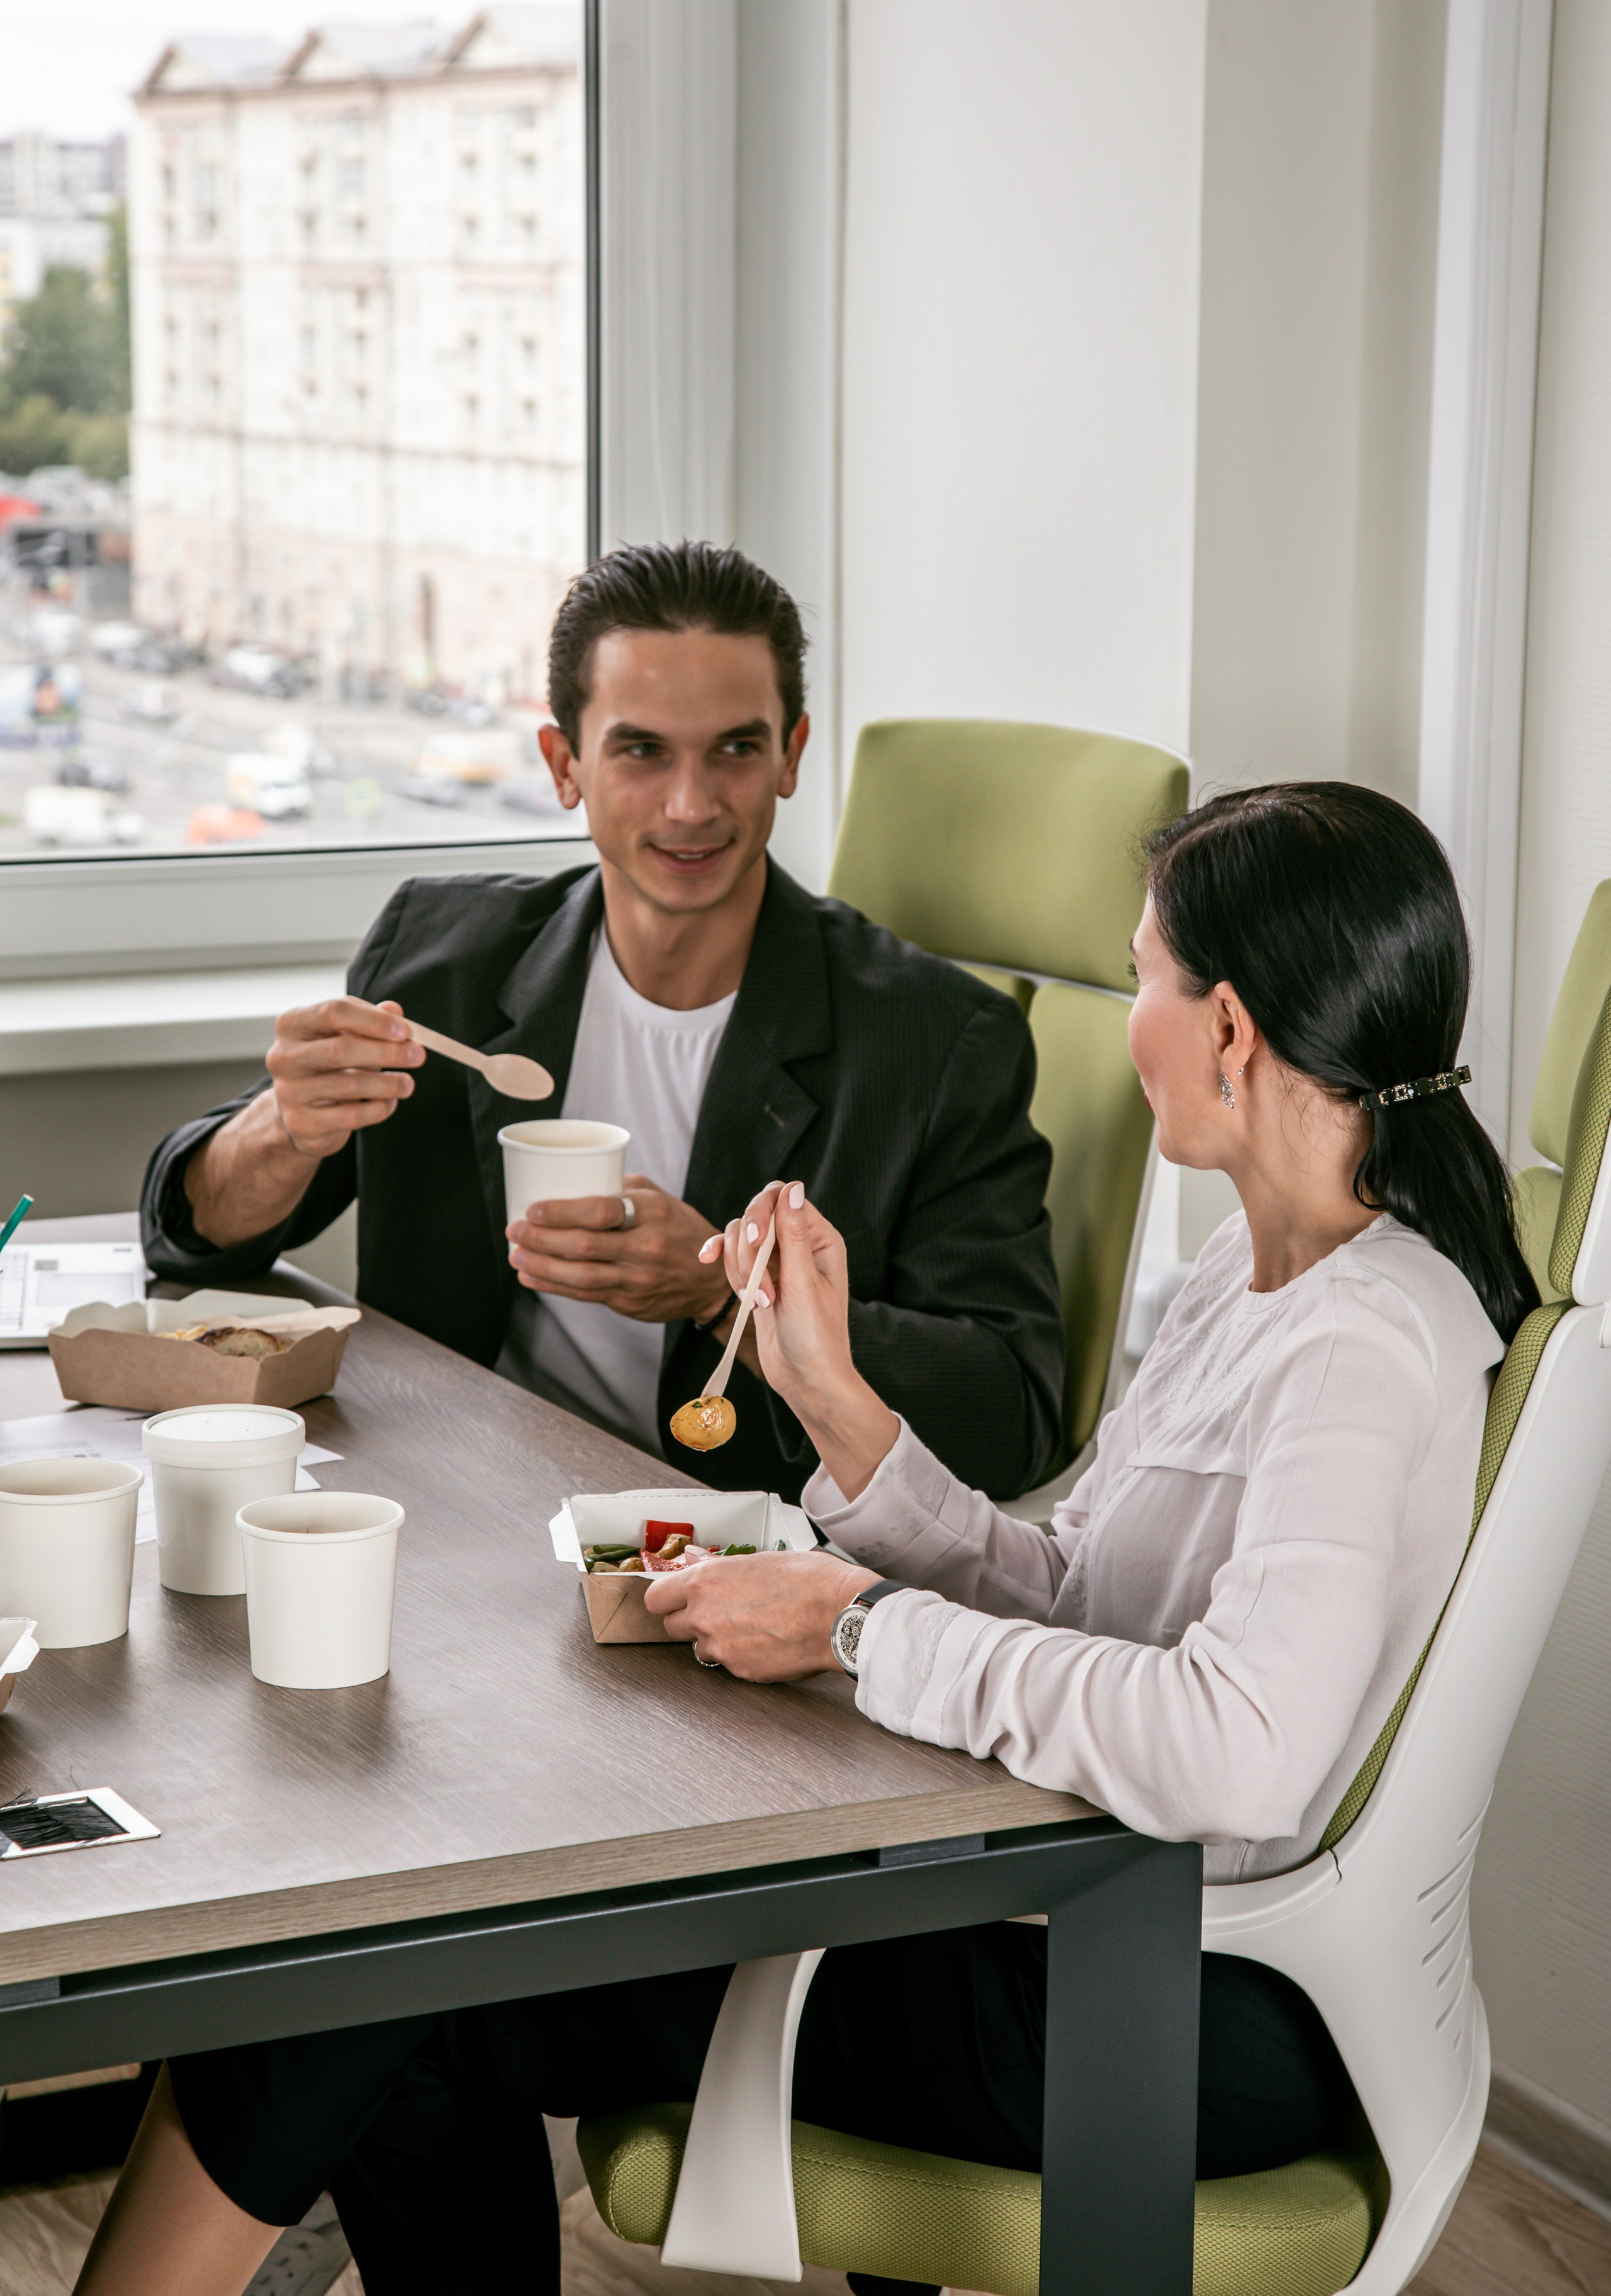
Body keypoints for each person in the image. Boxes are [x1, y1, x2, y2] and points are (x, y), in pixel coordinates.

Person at [81, 783, 1535, 2296]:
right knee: (395, 1964)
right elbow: (1075, 1591)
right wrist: (831, 1399)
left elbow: (1235, 1748)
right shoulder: (1238, 1273)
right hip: (1077, 1915)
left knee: (386, 1973)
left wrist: (849, 1624)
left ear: (1225, 1027)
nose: (1130, 1023)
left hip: (1166, 2000)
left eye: (1143, 975)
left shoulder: (1365, 1340)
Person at [140, 542, 1065, 1502]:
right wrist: (281, 1129)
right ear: (563, 763)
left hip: (734, 1566)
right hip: (449, 1506)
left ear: (790, 754)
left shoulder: (939, 1041)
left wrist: (730, 1298)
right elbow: (191, 1240)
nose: (691, 805)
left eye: (737, 749)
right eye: (641, 750)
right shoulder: (441, 956)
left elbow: (1011, 1421)